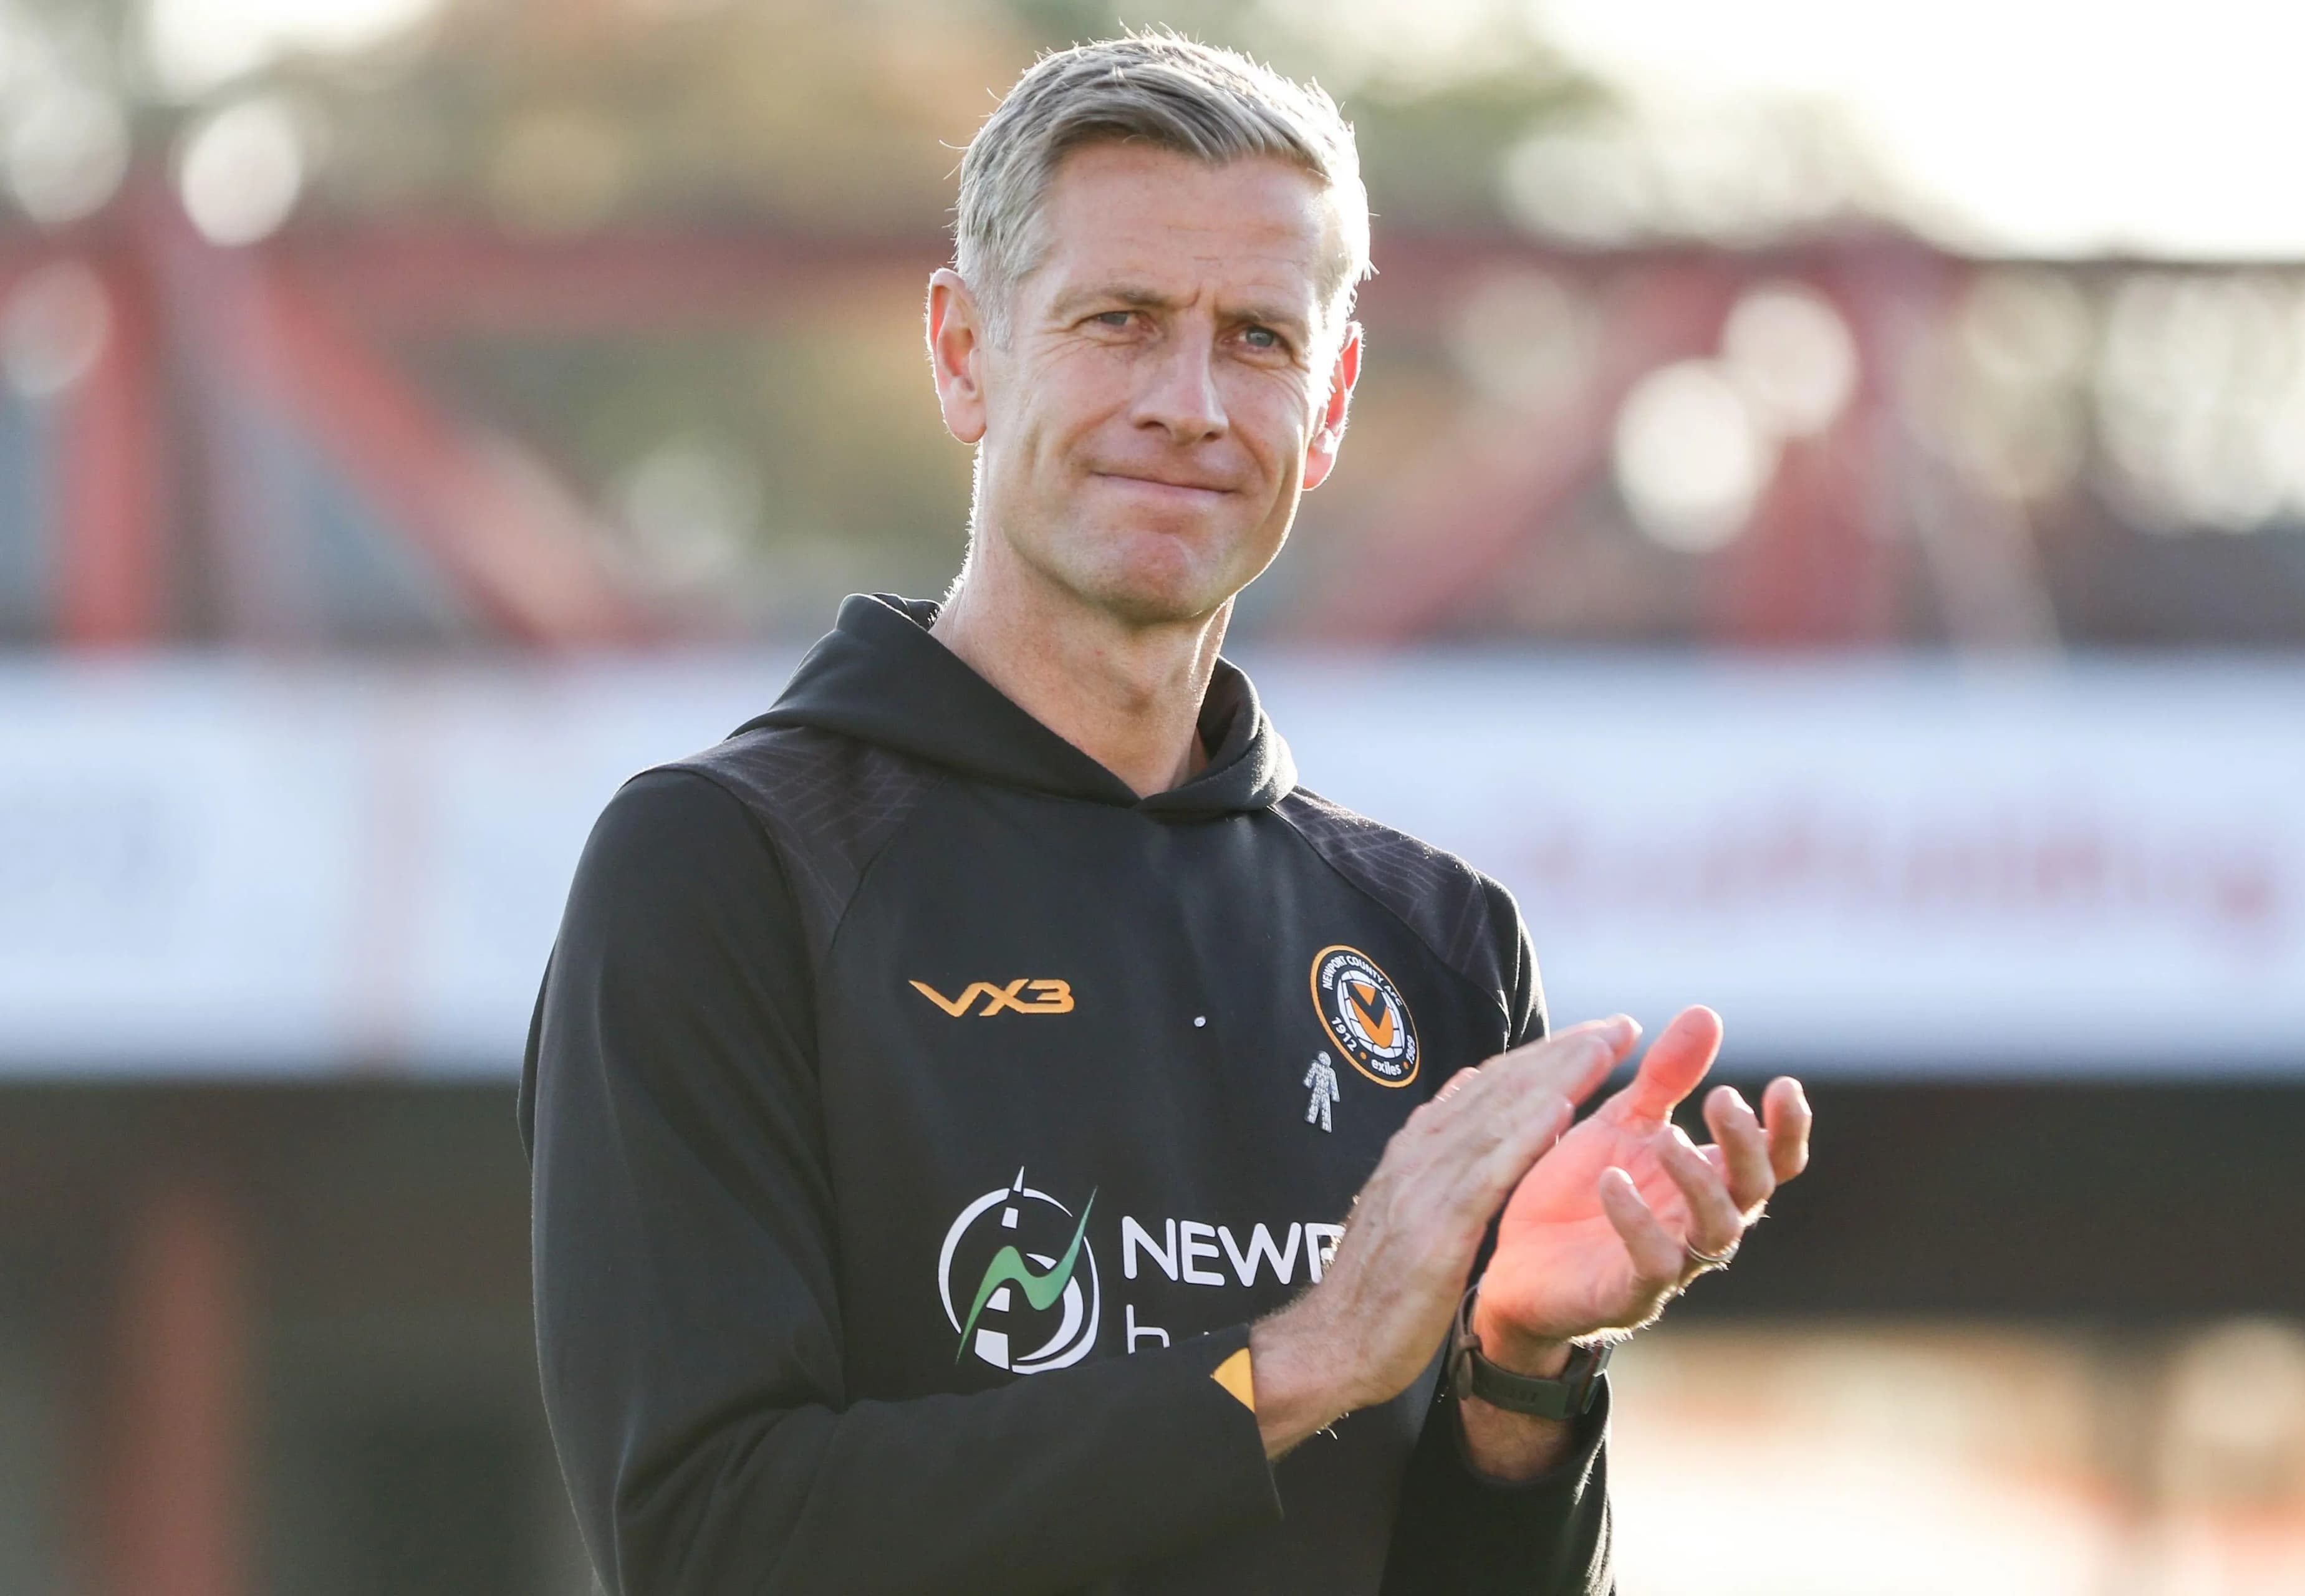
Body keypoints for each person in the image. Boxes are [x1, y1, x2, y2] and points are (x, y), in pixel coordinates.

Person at [521, 31, 1811, 1596]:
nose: (1189, 404)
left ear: (1330, 402)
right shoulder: (727, 867)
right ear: (964, 352)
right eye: (1120, 321)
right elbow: (710, 1544)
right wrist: (1306, 1356)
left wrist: (1522, 1372)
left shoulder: (1436, 940)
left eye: (1258, 338)